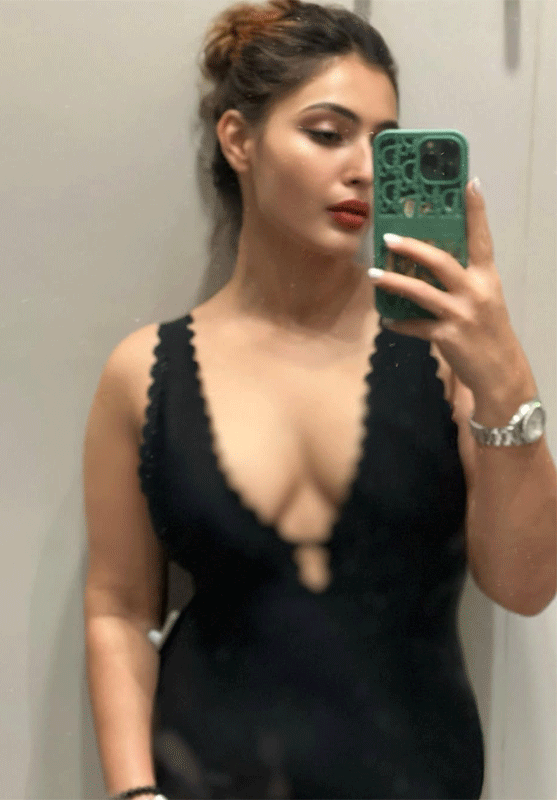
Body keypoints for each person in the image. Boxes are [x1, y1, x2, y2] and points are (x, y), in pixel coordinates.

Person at [82, 1, 557, 798]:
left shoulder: (448, 358)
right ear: (239, 140)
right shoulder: (142, 375)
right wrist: (134, 793)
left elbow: (526, 585)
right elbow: (119, 610)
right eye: (329, 133)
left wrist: (504, 373)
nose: (365, 168)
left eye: (384, 141)